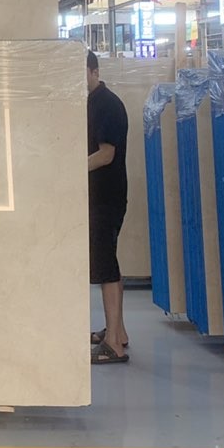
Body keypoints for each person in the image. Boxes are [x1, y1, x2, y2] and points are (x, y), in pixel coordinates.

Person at [86, 50, 130, 364]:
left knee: (105, 267)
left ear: (94, 71)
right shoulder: (93, 103)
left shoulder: (106, 104)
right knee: (108, 262)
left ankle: (113, 344)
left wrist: (68, 169)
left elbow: (106, 154)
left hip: (106, 198)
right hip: (102, 197)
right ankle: (119, 332)